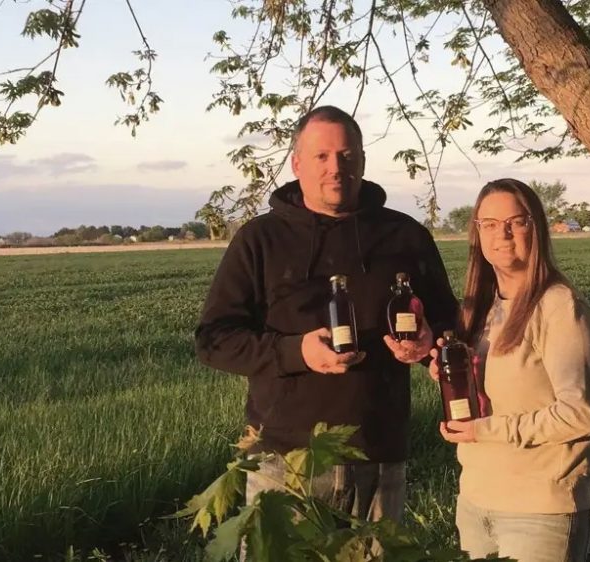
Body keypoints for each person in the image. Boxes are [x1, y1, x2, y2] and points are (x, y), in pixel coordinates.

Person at [194, 105, 459, 530]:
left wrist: (430, 343)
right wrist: (296, 351)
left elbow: (449, 322)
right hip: (285, 460)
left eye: (347, 155)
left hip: (377, 454)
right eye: (321, 156)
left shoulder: (405, 236)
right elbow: (214, 340)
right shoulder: (260, 240)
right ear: (297, 163)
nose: (336, 167)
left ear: (362, 161)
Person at [429, 178, 590, 562]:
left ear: (535, 227)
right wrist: (449, 374)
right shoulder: (480, 310)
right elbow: (495, 388)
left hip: (540, 511)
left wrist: (485, 430)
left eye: (516, 222)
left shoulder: (559, 308)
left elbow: (581, 414)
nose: (502, 234)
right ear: (477, 233)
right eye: (489, 224)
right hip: (475, 501)